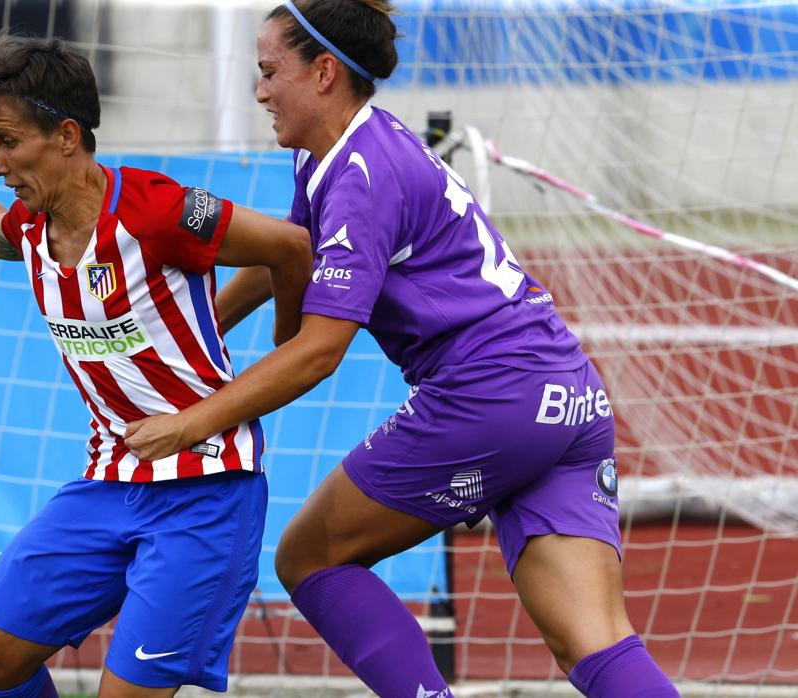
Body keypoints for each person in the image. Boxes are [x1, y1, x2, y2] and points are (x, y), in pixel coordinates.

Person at [123, 1, 680, 696]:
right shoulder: (344, 150)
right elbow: (288, 256)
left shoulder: (361, 173)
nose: (260, 90)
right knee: (592, 643)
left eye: (270, 72)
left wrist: (193, 420)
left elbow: (319, 351)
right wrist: (188, 330)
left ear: (324, 72)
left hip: (488, 395)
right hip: (564, 391)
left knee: (309, 557)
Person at [0, 34, 313, 698]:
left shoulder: (160, 209)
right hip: (110, 482)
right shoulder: (35, 226)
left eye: (7, 142)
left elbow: (291, 247)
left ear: (67, 135)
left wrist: (285, 344)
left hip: (205, 495)